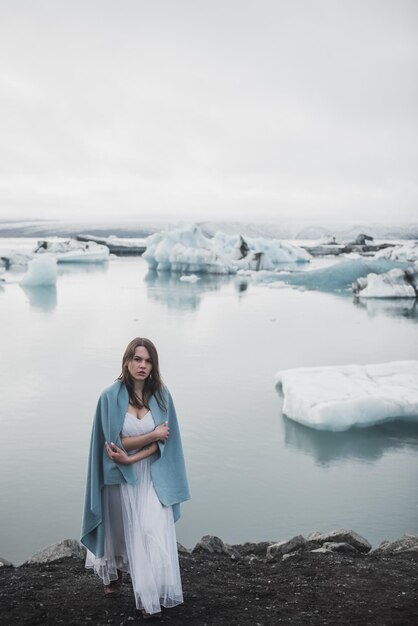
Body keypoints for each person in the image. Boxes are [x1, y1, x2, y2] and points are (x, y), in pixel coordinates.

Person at [81, 337, 190, 619]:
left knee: (149, 529)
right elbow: (114, 443)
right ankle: (115, 573)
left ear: (154, 365)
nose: (142, 365)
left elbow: (165, 440)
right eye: (137, 359)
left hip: (151, 473)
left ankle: (147, 593)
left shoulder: (162, 397)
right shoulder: (109, 396)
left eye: (148, 360)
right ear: (127, 361)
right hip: (120, 475)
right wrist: (143, 443)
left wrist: (136, 452)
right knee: (120, 530)